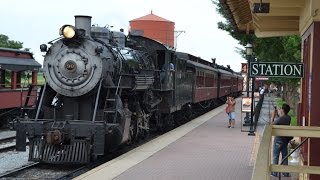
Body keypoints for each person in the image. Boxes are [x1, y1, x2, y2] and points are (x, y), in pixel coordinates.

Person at [271, 103, 291, 177]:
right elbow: (281, 120)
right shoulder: (288, 118)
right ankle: (285, 173)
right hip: (285, 140)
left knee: (275, 155)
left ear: (283, 110)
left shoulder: (280, 118)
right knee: (284, 156)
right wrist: (278, 114)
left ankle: (274, 172)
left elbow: (272, 124)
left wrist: (273, 116)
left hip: (278, 140)